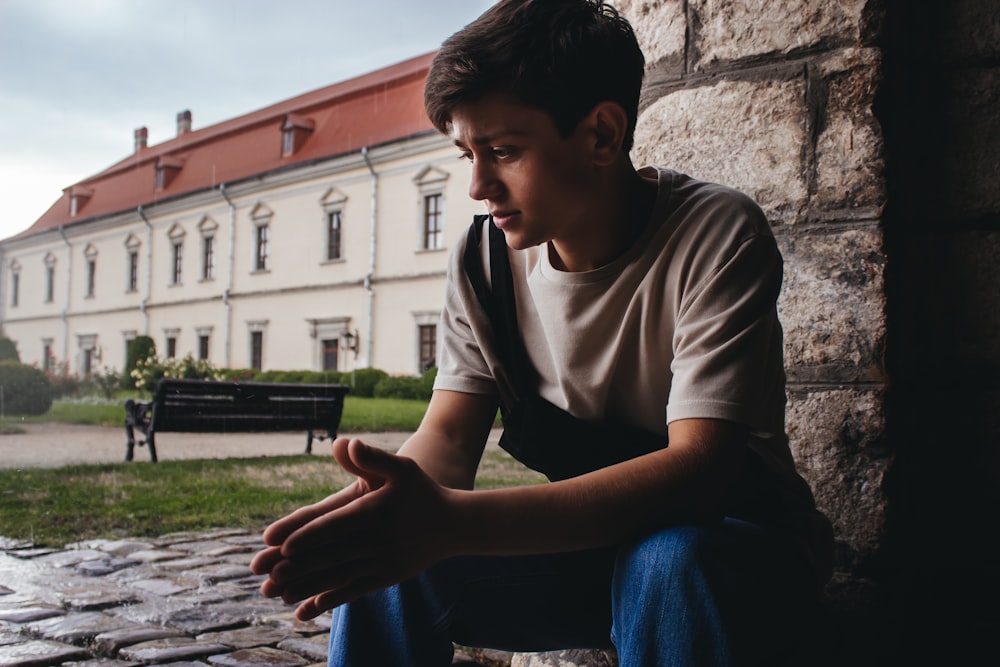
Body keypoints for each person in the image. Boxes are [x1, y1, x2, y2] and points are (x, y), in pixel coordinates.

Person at [251, 1, 833, 664]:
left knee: (668, 557)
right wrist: (383, 511)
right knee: (388, 562)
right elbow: (446, 436)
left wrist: (451, 521)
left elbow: (699, 472)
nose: (477, 185)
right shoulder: (484, 263)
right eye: (467, 153)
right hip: (588, 558)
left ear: (602, 136)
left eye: (503, 151)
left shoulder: (715, 234)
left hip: (729, 557)